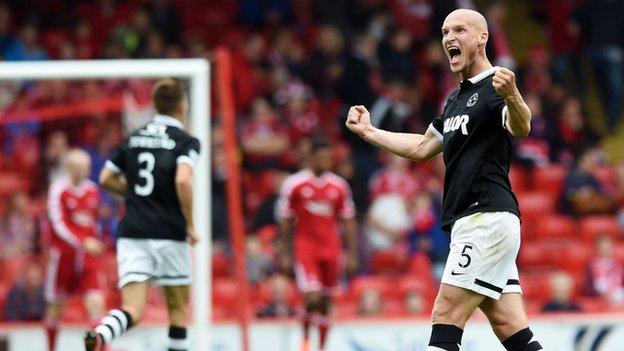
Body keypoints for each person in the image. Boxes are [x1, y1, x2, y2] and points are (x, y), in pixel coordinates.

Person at [346, 9, 544, 351]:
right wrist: (369, 132)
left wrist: (513, 96)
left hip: (485, 217)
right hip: (474, 221)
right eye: (444, 31)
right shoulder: (455, 99)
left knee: (445, 315)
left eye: (460, 30)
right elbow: (423, 147)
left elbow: (521, 126)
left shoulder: (497, 86)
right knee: (509, 325)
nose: (449, 37)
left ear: (482, 37)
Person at [85, 78, 201, 351]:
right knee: (178, 310)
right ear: (183, 106)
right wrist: (192, 225)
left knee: (133, 310)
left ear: (155, 105)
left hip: (133, 232)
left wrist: (136, 193)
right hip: (169, 231)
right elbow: (183, 180)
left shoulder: (134, 137)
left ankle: (101, 334)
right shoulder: (186, 141)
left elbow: (105, 177)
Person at [277, 138, 358, 351]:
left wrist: (352, 253)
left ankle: (321, 347)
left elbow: (348, 221)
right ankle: (304, 341)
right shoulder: (294, 185)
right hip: (306, 248)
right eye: (321, 157)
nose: (326, 161)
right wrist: (285, 252)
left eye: (328, 158)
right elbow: (285, 221)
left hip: (332, 248)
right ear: (311, 158)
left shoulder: (339, 186)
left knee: (326, 302)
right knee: (312, 297)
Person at [44, 149, 105, 351]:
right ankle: (51, 347)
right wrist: (82, 242)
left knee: (96, 304)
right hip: (64, 257)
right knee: (56, 307)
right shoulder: (58, 189)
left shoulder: (92, 190)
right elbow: (57, 224)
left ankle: (99, 348)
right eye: (79, 168)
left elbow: (94, 222)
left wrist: (96, 241)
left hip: (88, 258)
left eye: (86, 168)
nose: (84, 172)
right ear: (69, 168)